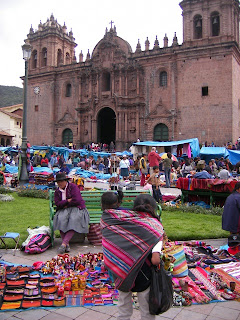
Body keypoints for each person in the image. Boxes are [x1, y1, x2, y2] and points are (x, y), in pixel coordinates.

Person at [101, 193, 165, 320]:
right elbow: (155, 259)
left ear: (134, 207)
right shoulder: (155, 227)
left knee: (123, 308)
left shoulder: (115, 220)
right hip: (144, 275)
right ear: (153, 207)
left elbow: (111, 245)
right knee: (146, 310)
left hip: (120, 270)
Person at [53, 172, 90, 254]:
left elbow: (77, 200)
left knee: (73, 219)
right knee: (60, 219)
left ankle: (63, 244)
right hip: (63, 209)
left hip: (77, 208)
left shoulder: (73, 187)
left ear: (65, 181)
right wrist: (67, 201)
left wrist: (65, 203)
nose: (60, 183)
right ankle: (66, 244)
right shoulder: (57, 191)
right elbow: (57, 203)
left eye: (61, 181)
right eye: (58, 182)